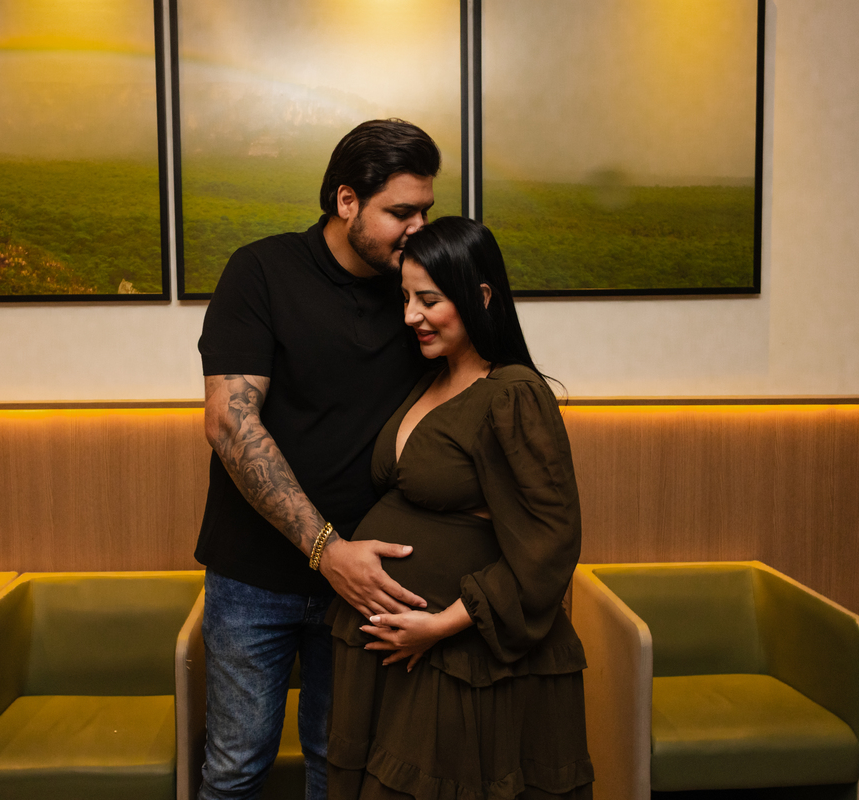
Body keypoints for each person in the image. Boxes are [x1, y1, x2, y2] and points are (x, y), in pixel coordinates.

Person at [196, 119, 442, 800]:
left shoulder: (417, 291)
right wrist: (326, 550)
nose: (418, 228)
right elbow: (229, 422)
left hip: (371, 581)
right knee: (236, 768)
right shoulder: (261, 271)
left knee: (341, 767)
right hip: (254, 577)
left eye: (426, 211)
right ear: (346, 201)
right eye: (401, 212)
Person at [328, 217, 594, 800]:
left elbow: (551, 542)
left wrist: (438, 626)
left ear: (481, 296)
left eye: (429, 300)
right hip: (400, 655)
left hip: (459, 657)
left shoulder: (513, 393)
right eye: (405, 299)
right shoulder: (429, 380)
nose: (411, 316)